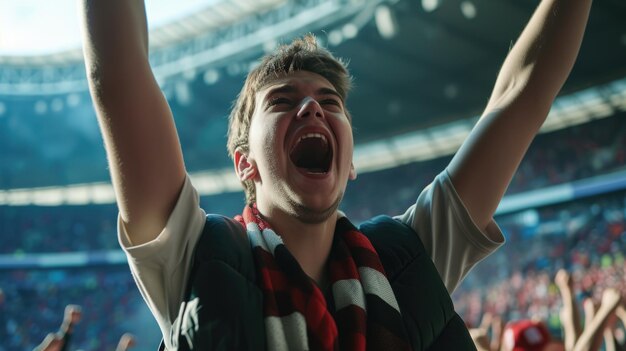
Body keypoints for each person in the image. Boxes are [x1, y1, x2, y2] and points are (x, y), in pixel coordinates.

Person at [79, 0, 593, 349]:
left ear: (349, 163)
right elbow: (119, 77)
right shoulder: (194, 258)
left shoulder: (409, 259)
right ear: (245, 164)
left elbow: (523, 92)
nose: (312, 109)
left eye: (329, 102)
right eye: (283, 101)